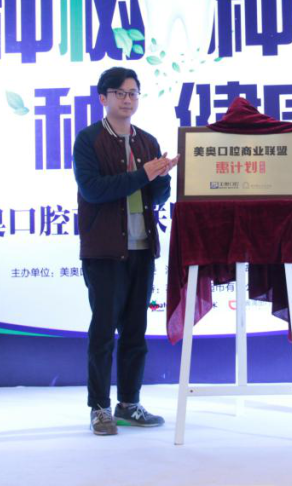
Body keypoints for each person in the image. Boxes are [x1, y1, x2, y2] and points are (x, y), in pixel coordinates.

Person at [73, 67, 179, 436]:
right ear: (103, 98)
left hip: (142, 248)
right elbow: (93, 190)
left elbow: (157, 197)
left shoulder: (147, 141)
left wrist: (162, 177)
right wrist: (143, 174)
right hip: (104, 251)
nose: (128, 99)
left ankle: (129, 404)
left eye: (133, 93)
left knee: (136, 331)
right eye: (120, 93)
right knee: (103, 331)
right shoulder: (89, 140)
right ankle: (99, 408)